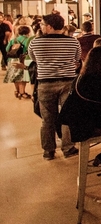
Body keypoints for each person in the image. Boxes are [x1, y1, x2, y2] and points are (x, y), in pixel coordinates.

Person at [28, 13, 81, 160]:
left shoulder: (35, 42)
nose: (41, 27)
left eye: (42, 24)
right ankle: (68, 148)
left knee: (47, 119)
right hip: (68, 82)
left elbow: (33, 59)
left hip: (45, 83)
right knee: (67, 116)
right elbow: (77, 59)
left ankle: (48, 151)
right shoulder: (73, 42)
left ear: (49, 27)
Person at [5, 25, 32, 99]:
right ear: (28, 32)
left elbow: (7, 49)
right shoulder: (28, 40)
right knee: (22, 77)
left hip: (12, 60)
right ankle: (22, 93)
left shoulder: (13, 40)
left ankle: (17, 91)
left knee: (15, 77)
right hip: (22, 60)